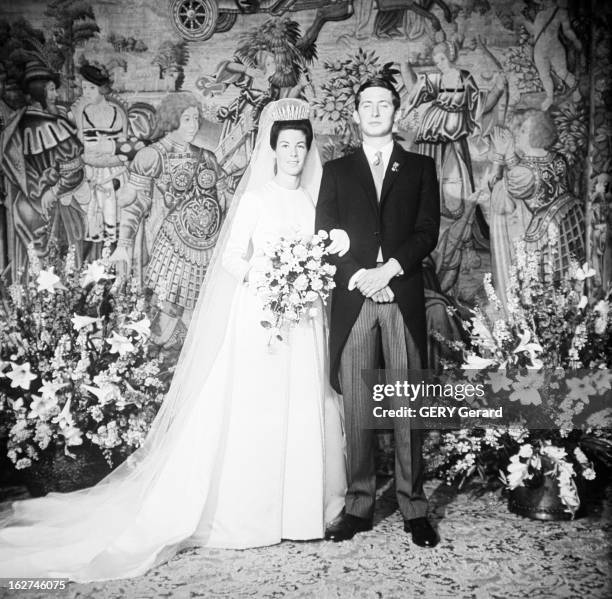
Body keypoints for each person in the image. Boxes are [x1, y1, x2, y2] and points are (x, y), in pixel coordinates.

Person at [0, 98, 347, 581]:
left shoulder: (311, 201)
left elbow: (319, 254)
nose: (293, 153)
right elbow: (230, 259)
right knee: (259, 409)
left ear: (309, 151)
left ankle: (298, 511)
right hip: (260, 317)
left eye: (300, 146)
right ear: (272, 148)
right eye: (285, 144)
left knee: (302, 404)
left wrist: (306, 279)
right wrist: (269, 278)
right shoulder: (256, 198)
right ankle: (254, 511)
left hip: (304, 318)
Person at [315, 77, 441, 547]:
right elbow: (325, 232)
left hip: (402, 295)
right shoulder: (337, 170)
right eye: (366, 104)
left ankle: (413, 507)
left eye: (383, 104)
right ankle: (359, 505)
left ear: (395, 111)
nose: (374, 111)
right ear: (355, 113)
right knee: (358, 406)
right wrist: (362, 277)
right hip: (355, 299)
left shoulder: (420, 167)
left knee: (408, 402)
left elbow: (427, 231)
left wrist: (389, 270)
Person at [111, 92, 230, 347]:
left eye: (196, 119)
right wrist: (123, 245)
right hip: (168, 247)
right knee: (167, 307)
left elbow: (224, 200)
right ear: (171, 120)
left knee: (204, 310)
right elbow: (134, 204)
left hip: (207, 250)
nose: (193, 125)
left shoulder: (207, 156)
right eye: (186, 119)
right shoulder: (151, 156)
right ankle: (160, 366)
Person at [400, 41, 505, 297]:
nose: (439, 62)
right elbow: (414, 89)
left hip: (453, 142)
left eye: (442, 58)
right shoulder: (434, 79)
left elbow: (480, 106)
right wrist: (405, 64)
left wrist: (499, 89)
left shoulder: (464, 78)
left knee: (459, 189)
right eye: (436, 58)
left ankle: (460, 241)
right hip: (429, 140)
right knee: (425, 191)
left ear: (451, 56)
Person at [0, 60, 89, 281]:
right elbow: (73, 170)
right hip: (54, 205)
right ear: (39, 93)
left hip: (24, 208)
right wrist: (52, 192)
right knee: (65, 263)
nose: (55, 94)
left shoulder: (16, 124)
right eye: (50, 89)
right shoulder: (52, 126)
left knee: (30, 268)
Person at [489, 111, 585, 311]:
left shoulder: (522, 173)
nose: (518, 134)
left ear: (536, 134)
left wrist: (500, 155)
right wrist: (509, 154)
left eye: (523, 130)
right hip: (567, 222)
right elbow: (524, 169)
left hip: (543, 235)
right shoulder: (558, 159)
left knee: (541, 286)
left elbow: (497, 188)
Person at [71, 64, 129, 258]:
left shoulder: (116, 112)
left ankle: (114, 261)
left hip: (114, 173)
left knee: (113, 216)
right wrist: (98, 151)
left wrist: (108, 151)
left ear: (102, 89)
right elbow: (83, 147)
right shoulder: (83, 113)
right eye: (84, 88)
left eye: (91, 88)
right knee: (91, 218)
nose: (86, 92)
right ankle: (91, 265)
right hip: (91, 173)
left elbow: (125, 148)